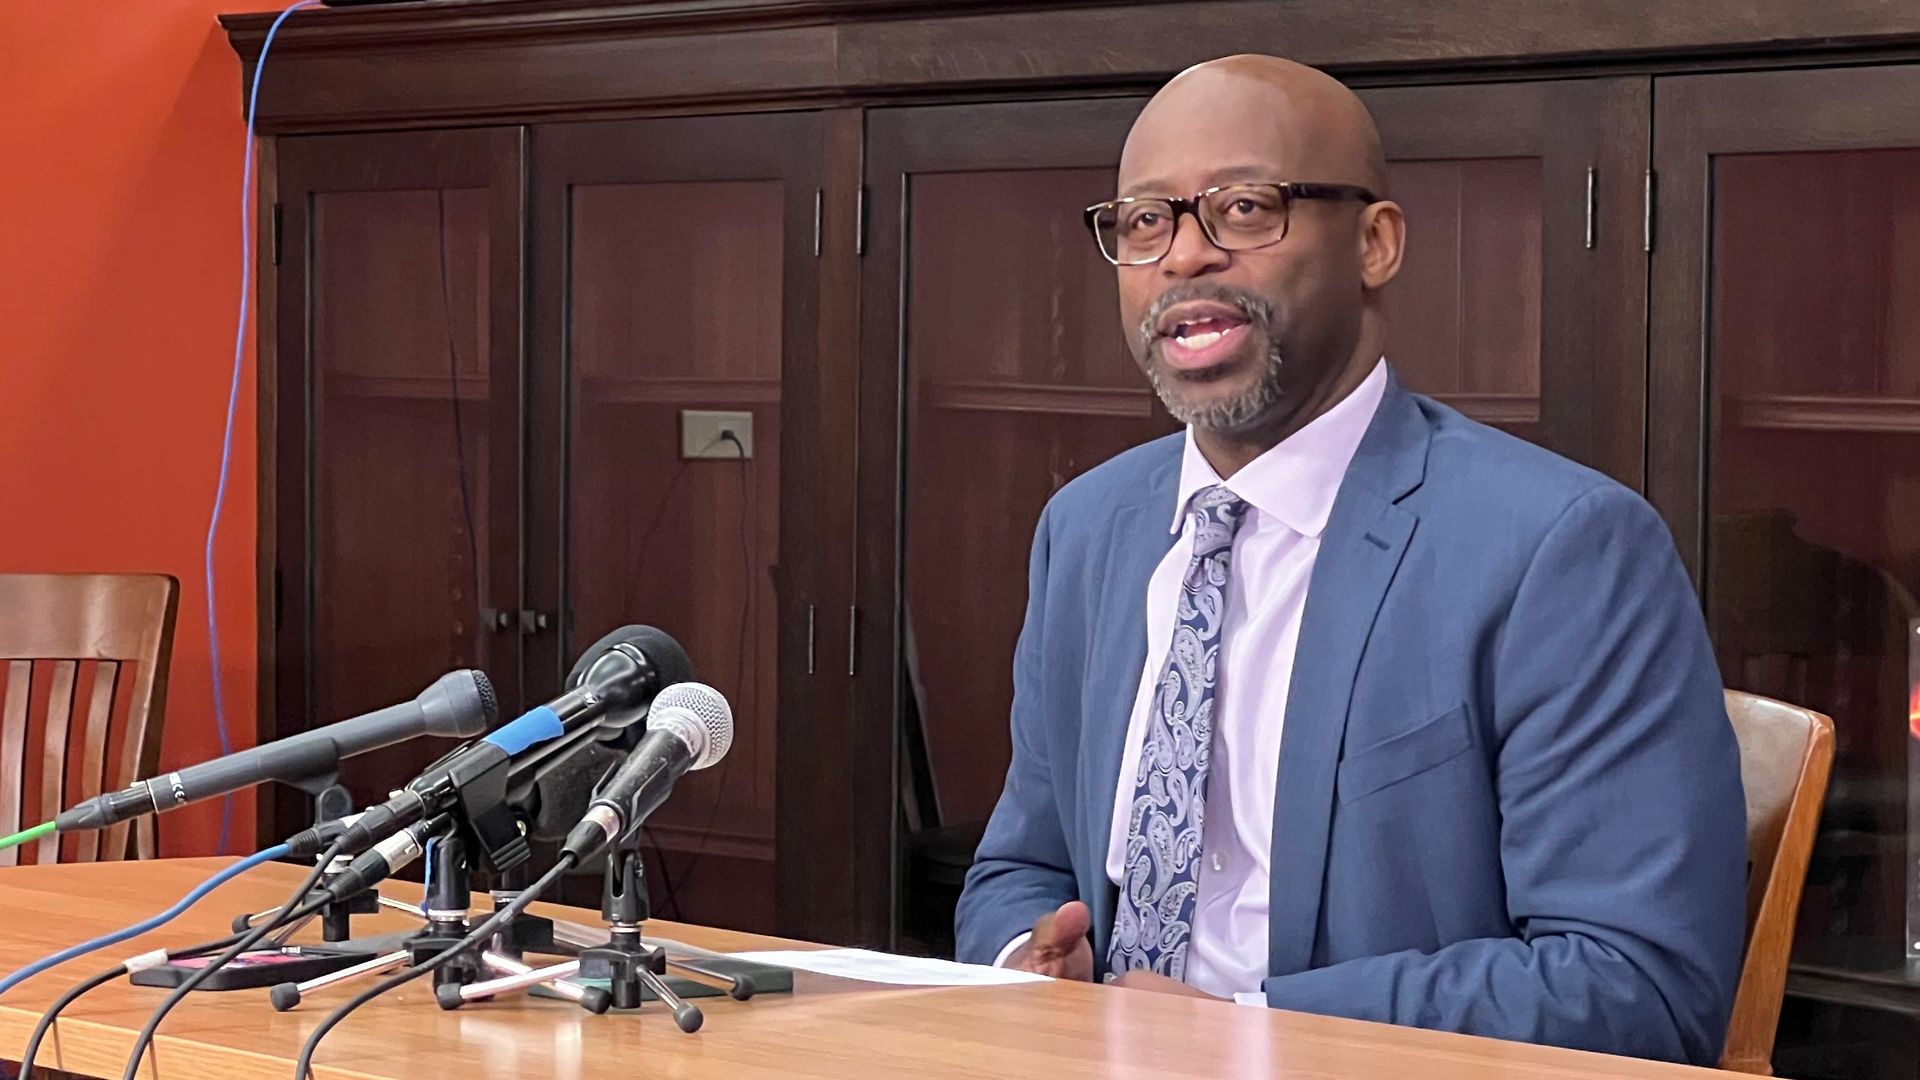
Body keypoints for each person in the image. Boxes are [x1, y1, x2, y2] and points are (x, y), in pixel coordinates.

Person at [953, 53, 1746, 1066]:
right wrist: (1032, 962)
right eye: (1146, 220)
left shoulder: (1563, 549)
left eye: (1242, 209)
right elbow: (1018, 865)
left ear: (1375, 242)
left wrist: (1240, 1036)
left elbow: (1636, 986)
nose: (1183, 257)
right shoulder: (1088, 528)